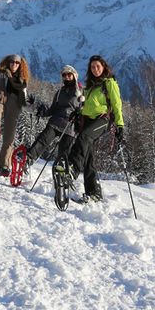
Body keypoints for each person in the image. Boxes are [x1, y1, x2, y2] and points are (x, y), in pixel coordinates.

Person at [59, 55, 123, 202]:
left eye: (98, 66)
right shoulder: (90, 85)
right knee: (88, 157)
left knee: (84, 137)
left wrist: (120, 125)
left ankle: (73, 170)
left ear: (104, 67)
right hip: (88, 120)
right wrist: (78, 113)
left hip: (103, 119)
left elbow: (117, 104)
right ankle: (94, 193)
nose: (95, 69)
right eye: (92, 67)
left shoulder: (109, 83)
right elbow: (88, 105)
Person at [27, 64, 84, 170]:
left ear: (74, 76)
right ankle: (27, 160)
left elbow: (85, 110)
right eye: (64, 75)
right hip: (55, 122)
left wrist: (79, 115)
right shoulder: (59, 92)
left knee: (64, 155)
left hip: (70, 127)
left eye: (69, 74)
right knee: (41, 141)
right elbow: (53, 109)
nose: (66, 77)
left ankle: (62, 175)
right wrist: (41, 111)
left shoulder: (81, 92)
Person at [0, 54, 32, 176]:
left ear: (21, 65)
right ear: (8, 62)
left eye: (17, 63)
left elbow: (24, 101)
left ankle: (4, 165)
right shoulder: (0, 74)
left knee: (9, 138)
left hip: (14, 107)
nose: (14, 64)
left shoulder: (22, 81)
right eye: (12, 62)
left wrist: (32, 108)